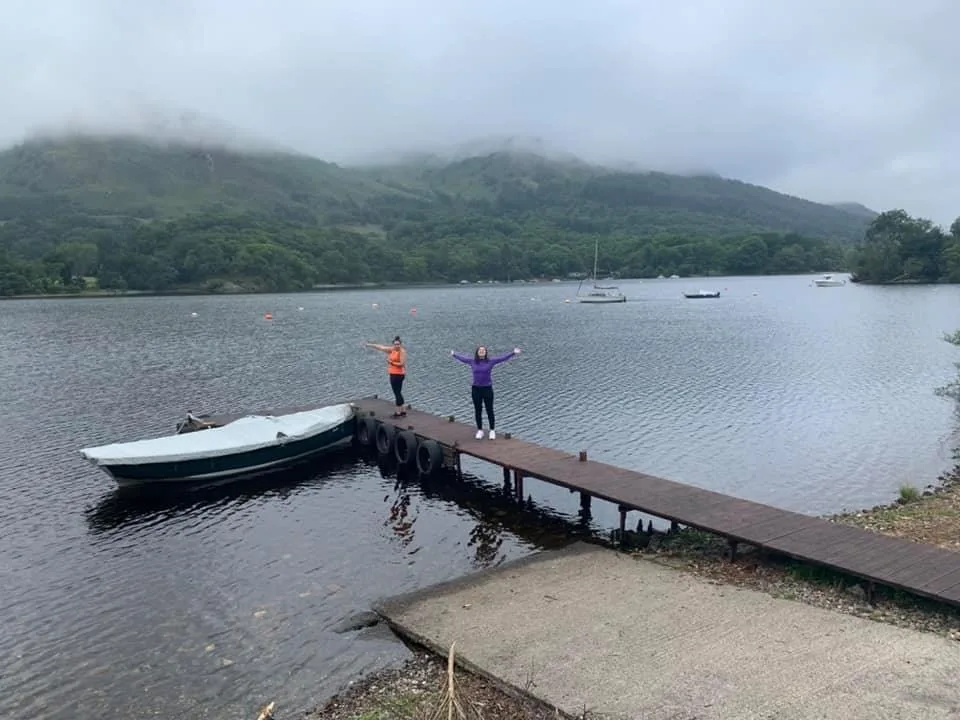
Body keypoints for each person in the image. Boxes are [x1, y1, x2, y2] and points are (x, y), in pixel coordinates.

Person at [450, 345, 521, 440]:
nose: (482, 351)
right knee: (478, 410)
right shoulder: (473, 361)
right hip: (476, 389)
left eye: (483, 350)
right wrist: (454, 354)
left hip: (487, 389)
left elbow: (502, 358)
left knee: (489, 410)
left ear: (486, 352)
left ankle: (492, 430)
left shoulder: (490, 361)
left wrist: (513, 353)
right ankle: (480, 430)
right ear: (477, 352)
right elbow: (463, 359)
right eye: (480, 350)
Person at [365, 336, 407, 417]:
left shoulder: (402, 352)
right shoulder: (392, 350)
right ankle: (403, 410)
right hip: (393, 374)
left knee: (397, 392)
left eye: (398, 344)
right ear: (393, 344)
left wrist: (391, 363)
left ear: (401, 344)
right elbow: (381, 347)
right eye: (395, 344)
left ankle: (398, 412)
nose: (397, 346)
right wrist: (370, 345)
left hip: (398, 374)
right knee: (398, 392)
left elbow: (402, 364)